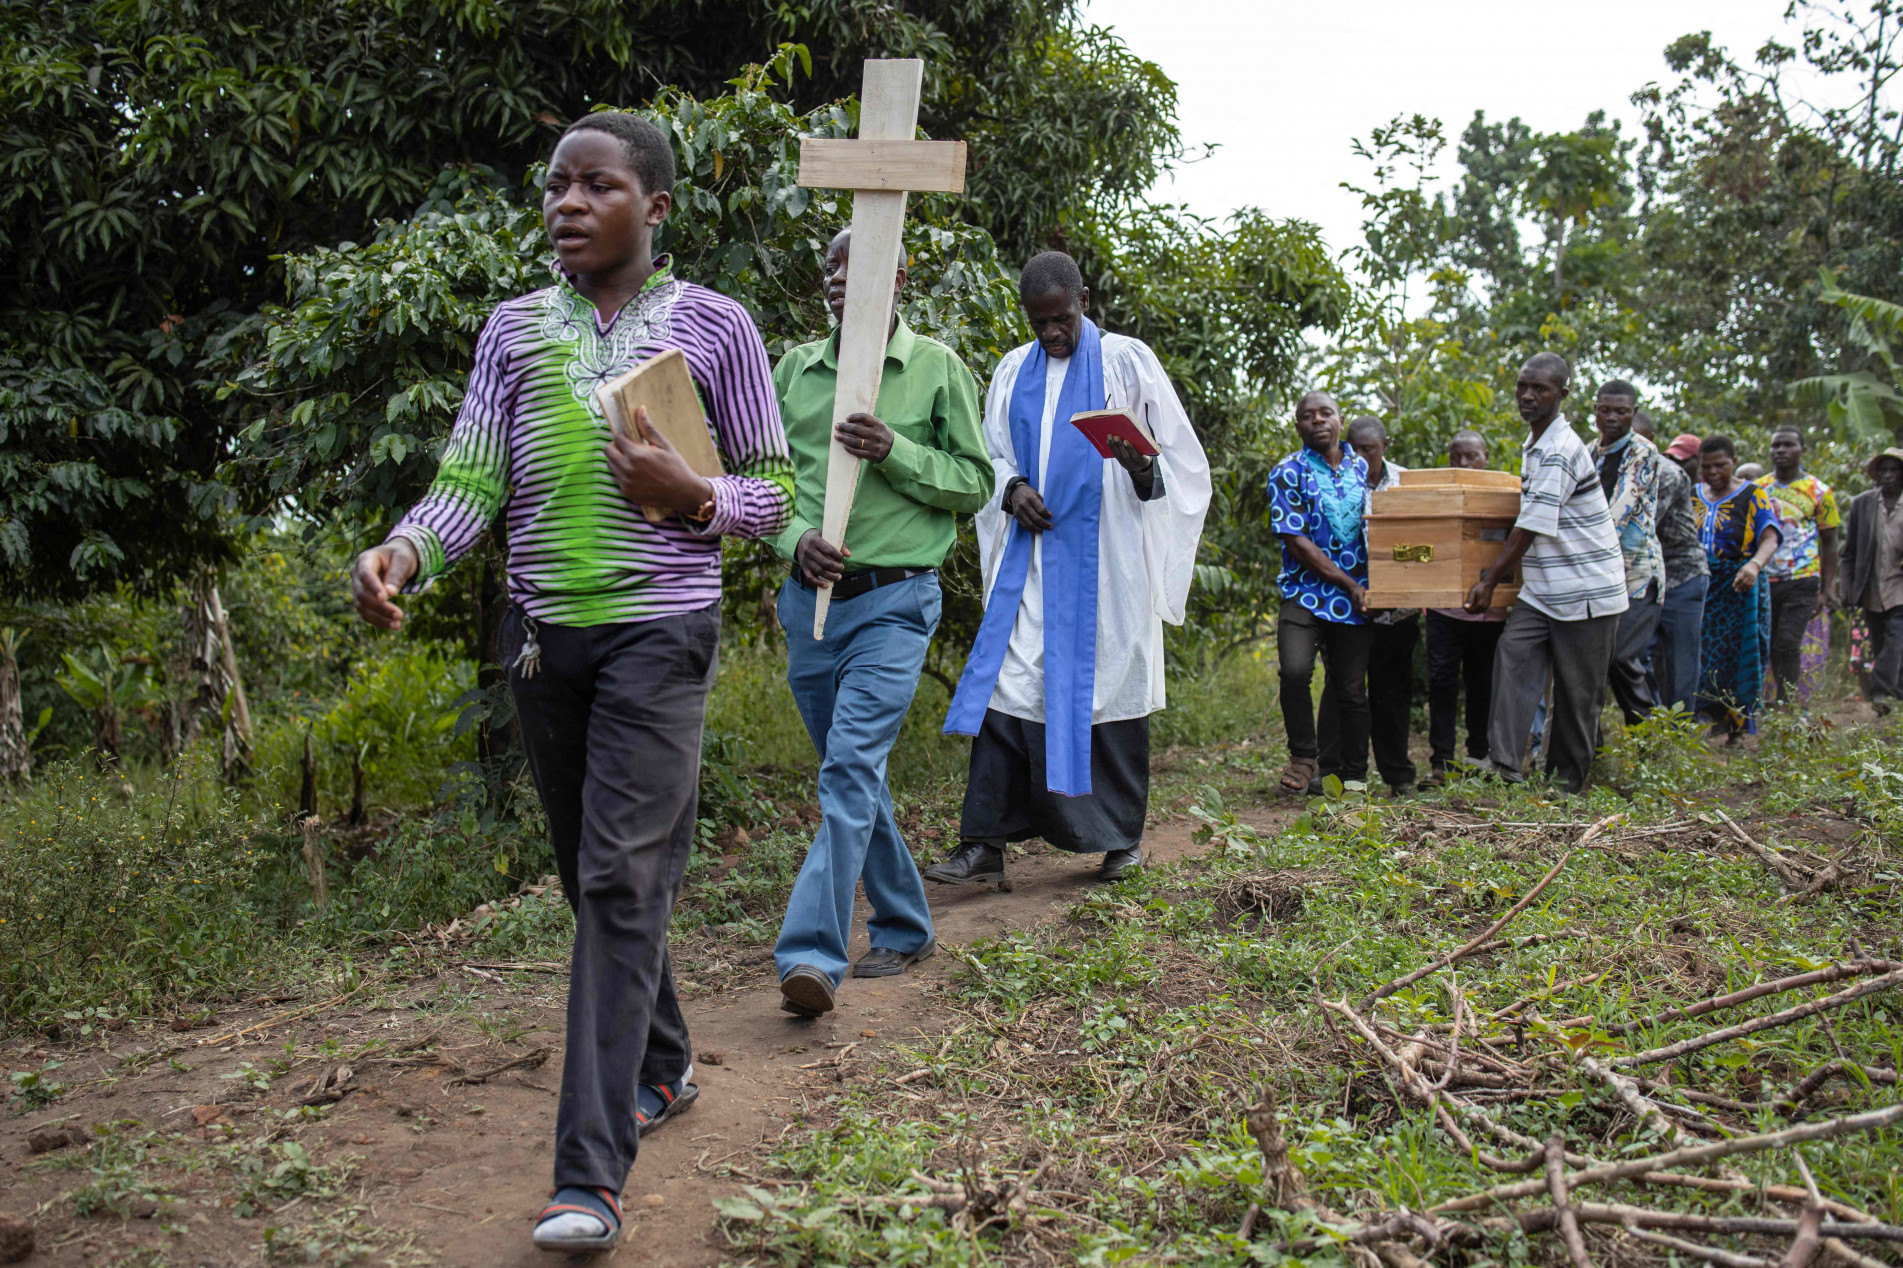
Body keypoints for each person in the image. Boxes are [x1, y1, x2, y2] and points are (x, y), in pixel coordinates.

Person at [350, 113, 795, 1254]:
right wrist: (406, 552)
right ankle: (664, 1058)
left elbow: (773, 494)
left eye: (595, 185)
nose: (564, 204)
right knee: (589, 875)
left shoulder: (718, 327)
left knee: (618, 880)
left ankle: (587, 1177)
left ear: (654, 205)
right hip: (543, 641)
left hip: (663, 637)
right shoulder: (511, 333)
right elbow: (468, 481)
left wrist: (690, 491)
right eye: (554, 186)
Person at [931, 251, 1210, 887]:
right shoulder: (1011, 370)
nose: (1051, 333)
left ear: (1082, 299)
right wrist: (1011, 489)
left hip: (1107, 565)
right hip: (1029, 561)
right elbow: (991, 451)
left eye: (1060, 319)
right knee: (1010, 682)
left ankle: (1119, 841)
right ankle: (984, 842)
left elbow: (1182, 463)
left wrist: (1142, 467)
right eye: (1039, 323)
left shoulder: (1127, 361)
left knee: (1107, 688)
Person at [769, 229, 992, 1019]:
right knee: (853, 774)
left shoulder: (934, 368)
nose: (840, 280)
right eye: (829, 265)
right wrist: (792, 541)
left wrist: (897, 451)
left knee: (846, 770)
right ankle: (903, 920)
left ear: (898, 280)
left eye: (859, 267)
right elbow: (767, 484)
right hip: (811, 607)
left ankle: (809, 956)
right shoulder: (794, 371)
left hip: (896, 603)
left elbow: (973, 483)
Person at [1465, 353, 1628, 794]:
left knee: (1577, 693)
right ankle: (1505, 765)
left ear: (1563, 395)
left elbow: (1532, 525)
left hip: (1587, 589)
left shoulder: (1559, 448)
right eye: (1523, 386)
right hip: (1543, 588)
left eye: (1540, 389)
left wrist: (1488, 580)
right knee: (1513, 657)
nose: (1528, 396)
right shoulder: (1536, 443)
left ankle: (1565, 786)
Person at [1266, 391, 1372, 795]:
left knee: (1350, 689)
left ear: (1340, 420)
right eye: (1307, 416)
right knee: (1295, 672)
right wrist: (1349, 583)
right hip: (1304, 592)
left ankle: (1354, 774)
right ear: (1298, 426)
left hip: (1355, 601)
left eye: (1326, 412)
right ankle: (1303, 755)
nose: (1317, 420)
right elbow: (1296, 541)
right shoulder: (1286, 471)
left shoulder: (1363, 469)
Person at [1320, 415, 1418, 796]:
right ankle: (1336, 774)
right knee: (1343, 690)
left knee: (1391, 693)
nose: (1360, 457)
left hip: (1398, 611)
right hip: (1348, 609)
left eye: (1369, 450)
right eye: (1354, 449)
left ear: (1385, 446)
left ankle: (1399, 776)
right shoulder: (1339, 482)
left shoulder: (1407, 482)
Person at [1423, 430, 1506, 783]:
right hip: (1444, 610)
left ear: (1486, 456)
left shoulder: (1503, 495)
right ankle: (1440, 761)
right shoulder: (1438, 496)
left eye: (1471, 456)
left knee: (1482, 683)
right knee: (1441, 683)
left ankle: (1478, 757)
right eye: (1456, 456)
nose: (1463, 463)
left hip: (1490, 613)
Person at [1693, 434, 1781, 740]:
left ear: (1733, 462)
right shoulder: (1693, 494)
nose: (1714, 472)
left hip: (1741, 583)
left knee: (1744, 652)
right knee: (1702, 655)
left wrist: (1754, 564)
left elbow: (1770, 536)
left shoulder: (1753, 494)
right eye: (1707, 467)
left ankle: (1740, 727)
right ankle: (1705, 718)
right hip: (1701, 585)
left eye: (1721, 465)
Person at [1590, 380, 1664, 725]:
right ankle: (1593, 749)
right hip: (1594, 574)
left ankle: (1650, 731)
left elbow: (1620, 510)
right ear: (1595, 410)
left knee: (1621, 657)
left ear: (1632, 414)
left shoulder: (1644, 453)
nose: (1612, 417)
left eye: (1621, 411)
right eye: (1605, 409)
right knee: (1594, 661)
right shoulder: (1589, 453)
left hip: (1636, 574)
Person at [1754, 428, 1840, 707]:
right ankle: (1770, 703)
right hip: (1765, 579)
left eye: (1788, 445)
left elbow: (1830, 542)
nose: (1780, 450)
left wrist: (1826, 590)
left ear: (1802, 450)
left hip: (1803, 579)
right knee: (1766, 643)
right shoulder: (1758, 488)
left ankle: (1789, 704)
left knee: (1788, 643)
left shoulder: (1820, 491)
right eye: (1775, 445)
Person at [1634, 412, 1709, 711]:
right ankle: (1654, 721)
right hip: (1648, 576)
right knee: (1634, 654)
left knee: (1681, 661)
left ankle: (1679, 735)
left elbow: (1638, 526)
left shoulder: (1666, 473)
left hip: (1682, 576)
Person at [1837, 448, 1903, 712]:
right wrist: (1847, 586)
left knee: (1896, 637)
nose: (1888, 476)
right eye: (1883, 470)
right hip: (1872, 586)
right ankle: (1896, 694)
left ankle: (1880, 692)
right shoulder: (1863, 504)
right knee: (1880, 642)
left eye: (1894, 470)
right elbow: (1849, 552)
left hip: (1900, 586)